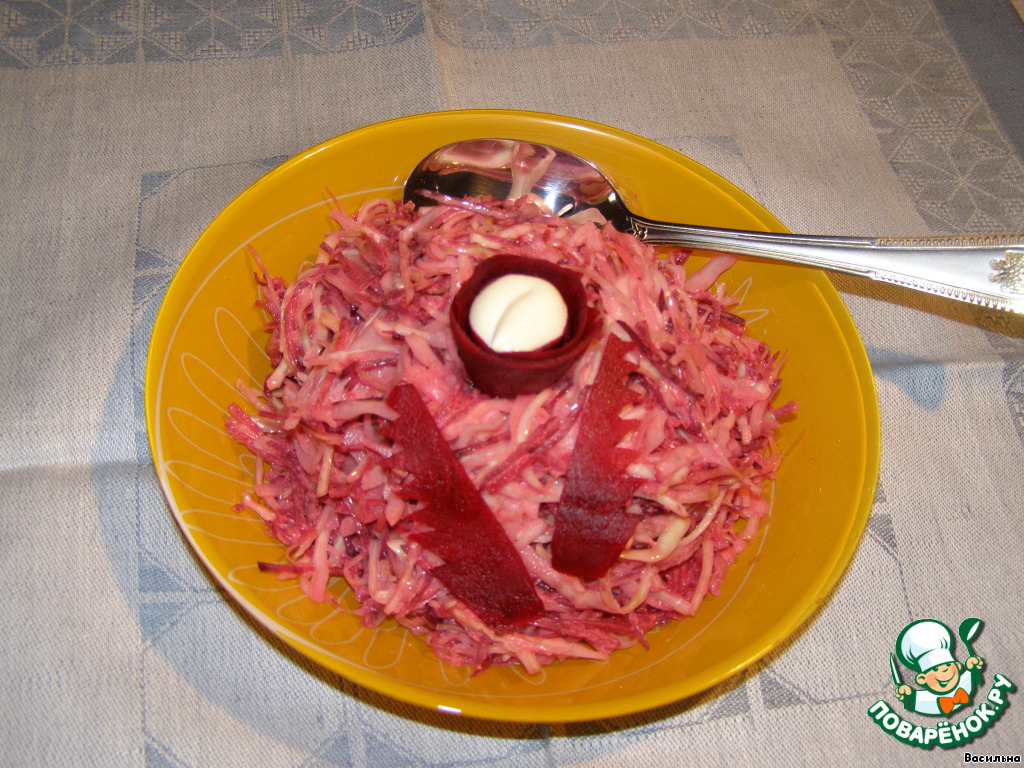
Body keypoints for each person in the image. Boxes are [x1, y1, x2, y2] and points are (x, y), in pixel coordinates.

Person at [894, 619, 984, 716]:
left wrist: (973, 667)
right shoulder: (926, 700)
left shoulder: (965, 683)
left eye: (948, 665)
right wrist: (907, 694)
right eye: (936, 669)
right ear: (921, 679)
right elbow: (913, 700)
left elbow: (973, 676)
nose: (944, 672)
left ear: (958, 666)